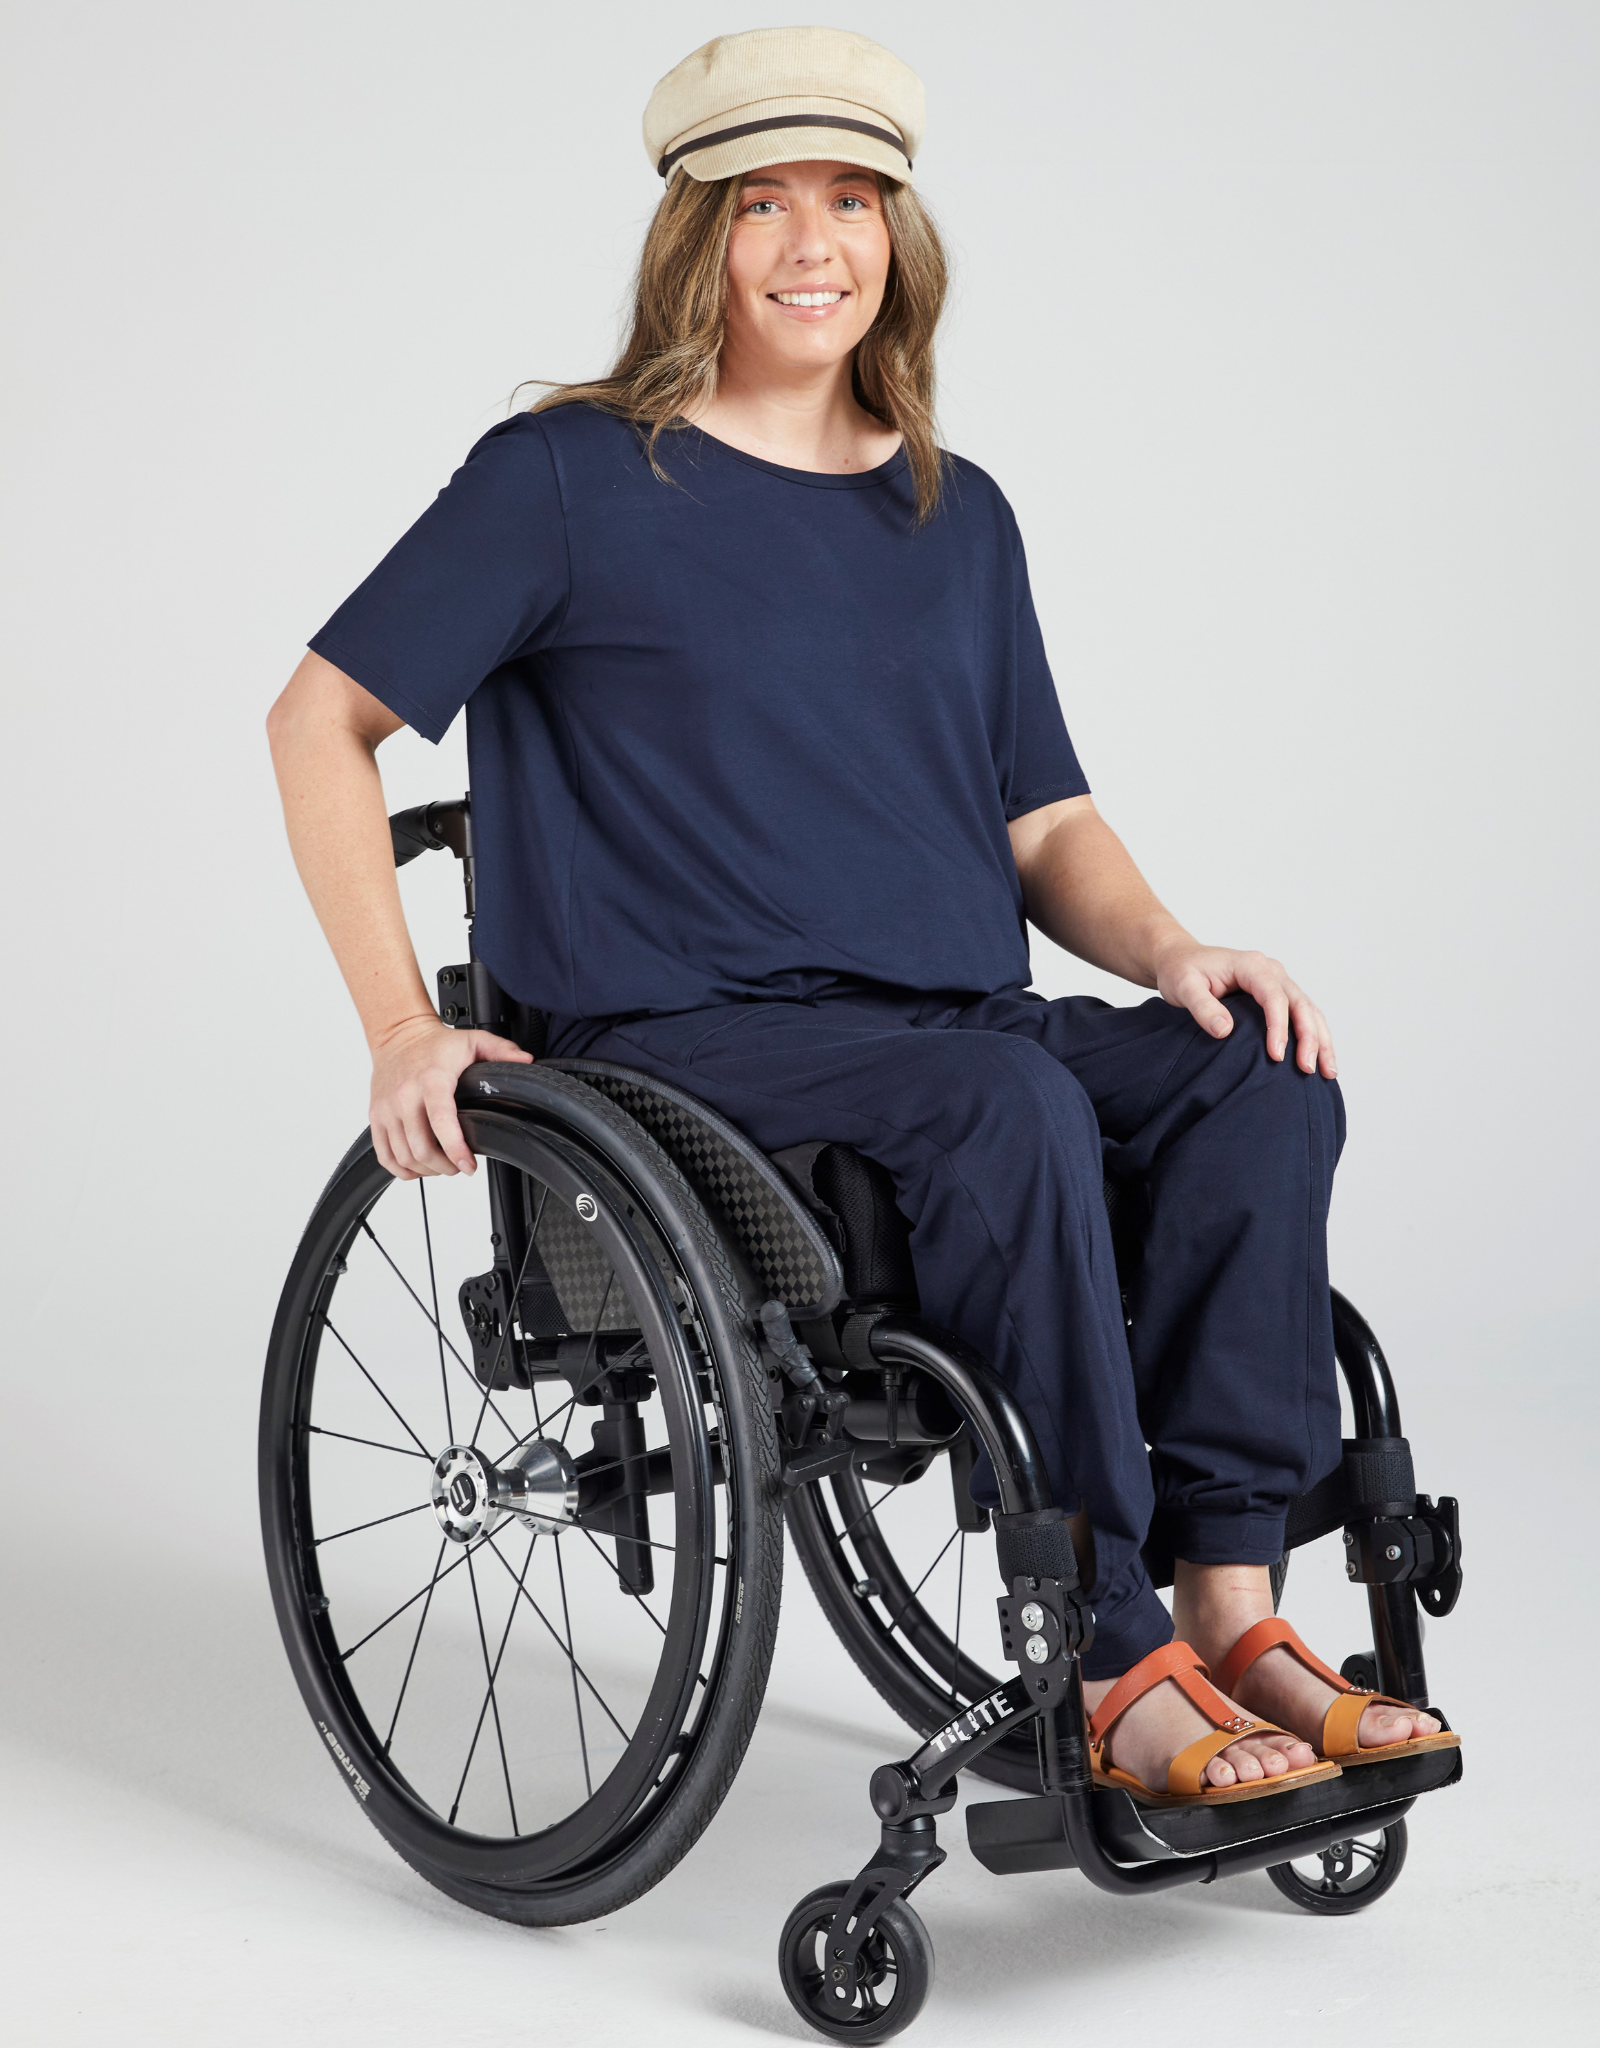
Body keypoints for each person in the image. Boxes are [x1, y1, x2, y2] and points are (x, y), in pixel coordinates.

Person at [267, 26, 1452, 1805]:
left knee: (1260, 1074)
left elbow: (1045, 821)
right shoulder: (567, 478)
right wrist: (397, 1026)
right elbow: (317, 721)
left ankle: (1234, 1605)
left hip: (947, 1027)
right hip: (688, 1042)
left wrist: (1173, 951)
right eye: (764, 202)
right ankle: (1108, 1647)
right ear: (698, 236)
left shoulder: (954, 514)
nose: (813, 243)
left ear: (899, 232)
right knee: (1008, 1104)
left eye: (851, 199)